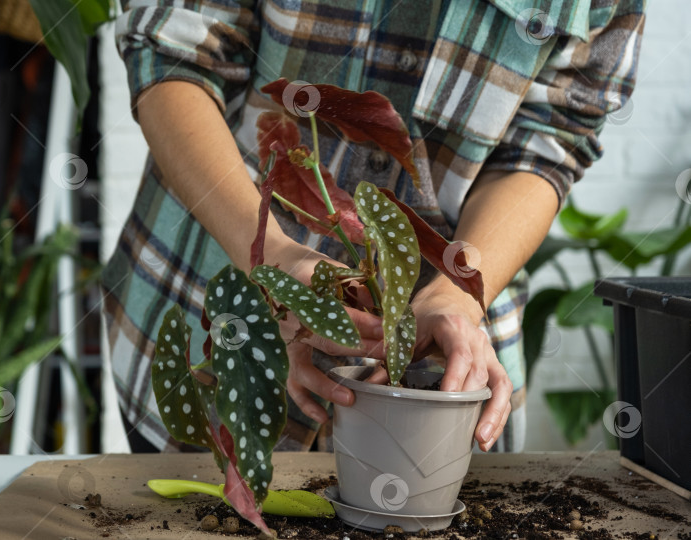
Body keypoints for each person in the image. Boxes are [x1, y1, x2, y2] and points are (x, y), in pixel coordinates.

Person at [102, 0, 645, 453]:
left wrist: (456, 297)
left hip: (438, 378)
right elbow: (172, 59)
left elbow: (551, 140)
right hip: (211, 313)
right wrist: (275, 258)